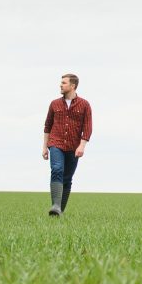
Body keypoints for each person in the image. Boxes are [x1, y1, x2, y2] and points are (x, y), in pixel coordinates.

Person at [42, 73, 92, 216]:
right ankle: (55, 206)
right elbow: (47, 126)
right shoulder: (54, 104)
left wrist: (82, 146)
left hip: (73, 146)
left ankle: (59, 211)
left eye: (64, 83)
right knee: (57, 169)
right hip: (55, 143)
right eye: (61, 83)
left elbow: (87, 127)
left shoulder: (84, 105)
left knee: (67, 178)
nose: (60, 85)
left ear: (73, 86)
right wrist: (45, 147)